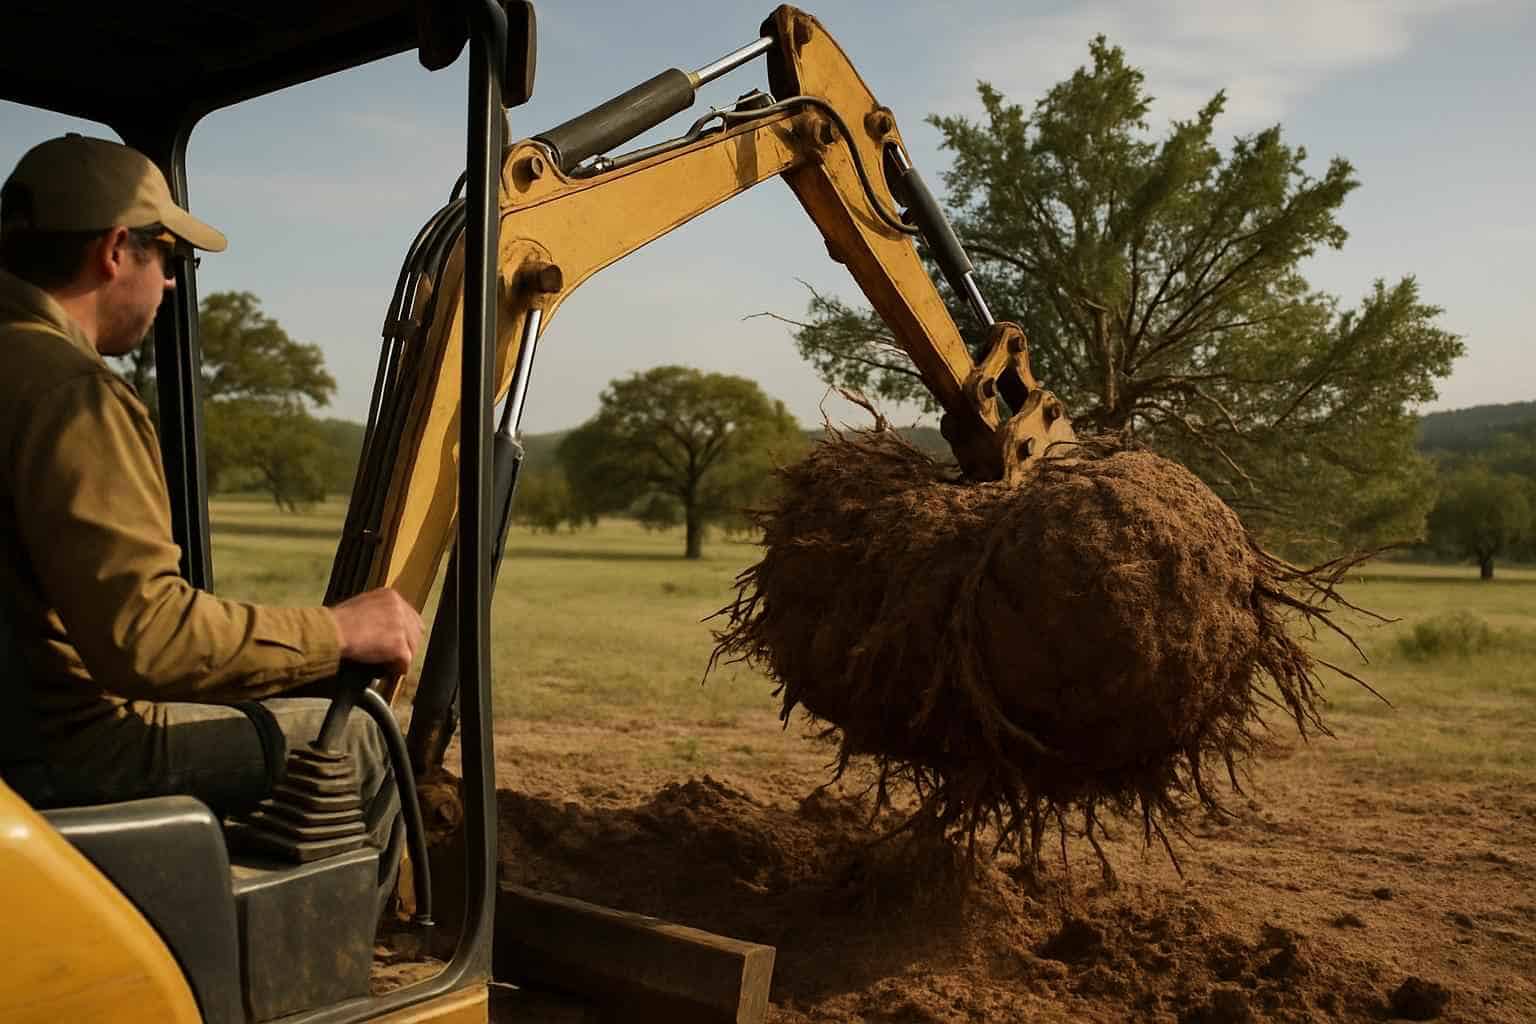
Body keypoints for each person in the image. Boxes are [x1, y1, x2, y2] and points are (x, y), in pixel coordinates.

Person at [0, 134, 422, 861]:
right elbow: (147, 641)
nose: (168, 285)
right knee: (362, 736)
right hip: (60, 754)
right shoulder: (69, 395)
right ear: (112, 252)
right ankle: (351, 969)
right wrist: (340, 632)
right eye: (165, 256)